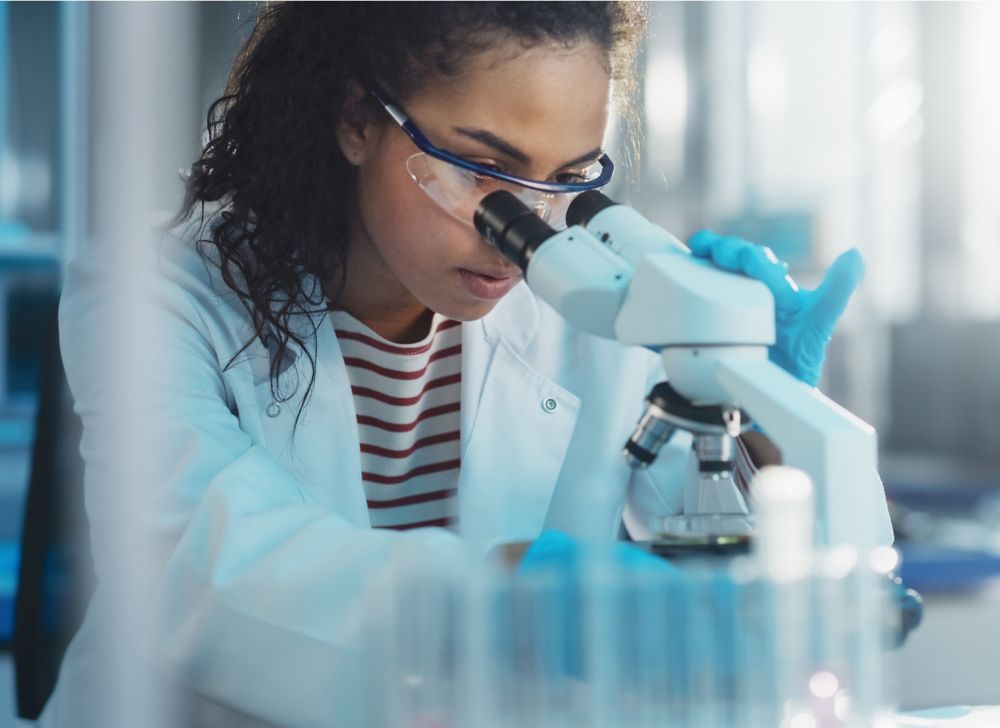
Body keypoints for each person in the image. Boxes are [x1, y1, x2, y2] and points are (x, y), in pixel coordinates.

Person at [46, 3, 892, 726]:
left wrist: (765, 403)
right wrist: (519, 599)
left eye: (567, 178)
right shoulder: (157, 295)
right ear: (357, 121)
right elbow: (202, 573)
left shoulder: (595, 311)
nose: (527, 223)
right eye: (485, 168)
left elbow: (773, 587)